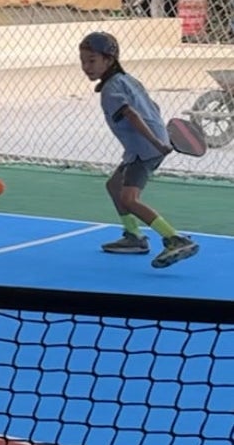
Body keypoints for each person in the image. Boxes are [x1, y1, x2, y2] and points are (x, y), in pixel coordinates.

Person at [78, 31, 198, 268]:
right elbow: (152, 107)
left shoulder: (112, 90)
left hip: (145, 151)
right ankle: (134, 237)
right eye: (83, 61)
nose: (86, 66)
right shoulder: (128, 80)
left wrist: (156, 143)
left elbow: (132, 115)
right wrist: (161, 136)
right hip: (144, 147)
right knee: (113, 185)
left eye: (92, 60)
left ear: (109, 60)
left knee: (129, 199)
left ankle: (174, 238)